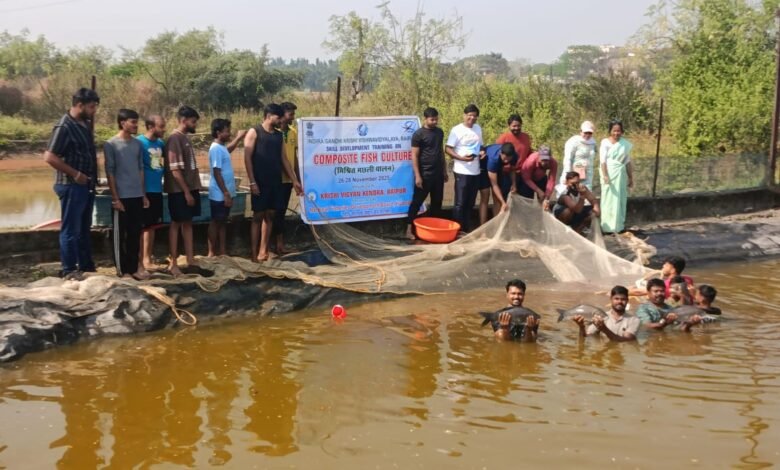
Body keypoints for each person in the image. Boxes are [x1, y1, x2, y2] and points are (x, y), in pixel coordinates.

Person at [43, 88, 100, 280]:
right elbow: (49, 157)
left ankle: (86, 266)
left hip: (86, 185)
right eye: (92, 107)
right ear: (80, 105)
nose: (94, 111)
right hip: (71, 184)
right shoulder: (64, 126)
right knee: (71, 229)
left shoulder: (83, 123)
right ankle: (68, 269)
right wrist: (75, 174)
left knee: (84, 228)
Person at [244, 103, 302, 262]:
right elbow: (247, 158)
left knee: (270, 215)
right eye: (278, 117)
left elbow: (284, 159)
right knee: (258, 216)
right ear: (269, 116)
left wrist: (295, 180)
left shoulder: (278, 135)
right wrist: (252, 182)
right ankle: (254, 253)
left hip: (275, 182)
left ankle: (264, 251)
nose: (281, 120)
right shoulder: (254, 132)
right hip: (260, 182)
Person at [104, 109, 149, 280]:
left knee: (134, 234)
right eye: (133, 122)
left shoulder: (137, 144)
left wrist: (143, 194)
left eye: (137, 122)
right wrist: (115, 198)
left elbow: (140, 169)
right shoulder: (111, 144)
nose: (136, 125)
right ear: (123, 123)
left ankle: (133, 268)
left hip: (136, 195)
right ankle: (123, 271)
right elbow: (110, 172)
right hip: (121, 197)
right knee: (119, 235)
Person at [163, 106, 202, 277]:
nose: (195, 125)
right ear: (184, 120)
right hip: (179, 190)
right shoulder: (174, 139)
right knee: (176, 223)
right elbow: (175, 170)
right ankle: (173, 263)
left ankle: (190, 257)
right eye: (193, 121)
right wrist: (186, 192)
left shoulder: (185, 138)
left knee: (188, 222)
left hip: (190, 188)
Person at [406, 107, 448, 239]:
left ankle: (434, 230)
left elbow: (440, 152)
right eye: (432, 119)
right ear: (425, 119)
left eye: (436, 119)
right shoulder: (418, 134)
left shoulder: (439, 132)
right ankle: (408, 230)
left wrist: (445, 171)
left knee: (437, 202)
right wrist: (418, 176)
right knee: (416, 202)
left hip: (438, 174)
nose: (435, 121)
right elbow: (414, 155)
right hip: (424, 174)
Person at [207, 118, 246, 257]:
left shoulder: (221, 147)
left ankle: (222, 251)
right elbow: (216, 172)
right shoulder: (215, 149)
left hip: (224, 192)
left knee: (222, 221)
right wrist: (225, 192)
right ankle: (211, 252)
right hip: (219, 193)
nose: (229, 134)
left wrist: (238, 138)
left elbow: (228, 150)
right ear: (218, 132)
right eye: (227, 131)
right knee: (216, 221)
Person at [446, 104, 483, 232]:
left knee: (470, 202)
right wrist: (461, 158)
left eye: (474, 116)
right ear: (464, 115)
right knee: (460, 203)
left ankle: (466, 229)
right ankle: (456, 229)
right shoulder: (456, 130)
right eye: (469, 115)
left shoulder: (478, 128)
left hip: (475, 170)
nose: (472, 118)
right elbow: (448, 149)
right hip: (461, 170)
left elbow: (480, 146)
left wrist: (482, 152)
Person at [137, 115, 166, 271]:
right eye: (161, 126)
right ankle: (142, 259)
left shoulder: (161, 143)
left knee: (153, 226)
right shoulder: (139, 143)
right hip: (145, 190)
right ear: (150, 126)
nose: (164, 129)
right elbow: (138, 169)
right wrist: (142, 194)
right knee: (144, 226)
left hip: (157, 189)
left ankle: (149, 257)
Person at [599, 120, 634, 234]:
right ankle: (607, 226)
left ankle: (618, 225)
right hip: (608, 173)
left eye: (618, 131)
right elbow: (603, 161)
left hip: (620, 174)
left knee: (620, 198)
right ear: (610, 131)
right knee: (608, 199)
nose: (616, 133)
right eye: (614, 130)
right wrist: (605, 175)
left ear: (622, 131)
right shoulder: (605, 143)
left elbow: (627, 161)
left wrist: (630, 177)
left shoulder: (624, 144)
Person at [572, 285, 639, 342]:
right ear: (611, 299)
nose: (619, 302)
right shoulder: (601, 316)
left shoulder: (634, 320)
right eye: (616, 299)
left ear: (627, 300)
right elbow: (586, 337)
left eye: (623, 299)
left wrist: (604, 329)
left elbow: (626, 340)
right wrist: (581, 326)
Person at [274, 102, 298, 254]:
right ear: (282, 115)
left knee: (281, 212)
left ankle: (280, 245)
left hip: (288, 180)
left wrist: (297, 178)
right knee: (271, 213)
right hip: (275, 179)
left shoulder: (293, 132)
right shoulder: (273, 132)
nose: (293, 118)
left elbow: (295, 158)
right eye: (291, 115)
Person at [560, 121, 597, 190]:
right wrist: (567, 174)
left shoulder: (593, 142)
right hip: (575, 171)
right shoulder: (574, 141)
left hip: (588, 172)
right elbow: (568, 158)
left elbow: (594, 154)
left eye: (590, 133)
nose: (587, 135)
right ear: (581, 131)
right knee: (573, 191)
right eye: (585, 132)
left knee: (587, 191)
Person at [518, 145, 557, 209]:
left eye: (547, 160)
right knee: (527, 202)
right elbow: (526, 178)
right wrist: (538, 190)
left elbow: (551, 180)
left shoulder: (553, 163)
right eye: (543, 160)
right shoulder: (531, 161)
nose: (545, 162)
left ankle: (541, 214)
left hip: (541, 178)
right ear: (539, 156)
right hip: (527, 180)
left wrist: (547, 196)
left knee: (544, 199)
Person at [485, 143, 517, 213]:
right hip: (484, 164)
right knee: (487, 194)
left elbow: (512, 169)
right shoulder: (493, 159)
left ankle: (498, 220)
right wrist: (503, 202)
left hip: (498, 166)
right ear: (500, 153)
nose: (506, 161)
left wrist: (514, 184)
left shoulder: (515, 155)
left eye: (509, 159)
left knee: (497, 197)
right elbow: (494, 184)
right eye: (505, 158)